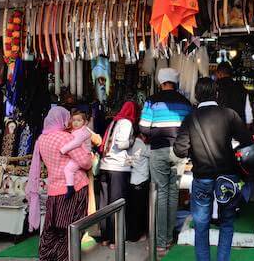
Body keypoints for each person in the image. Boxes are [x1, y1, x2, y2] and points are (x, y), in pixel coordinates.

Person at [174, 78, 253, 261]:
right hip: (227, 178)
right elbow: (247, 140)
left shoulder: (190, 118)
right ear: (216, 93)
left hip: (202, 179)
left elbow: (179, 150)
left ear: (196, 95)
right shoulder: (229, 114)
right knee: (227, 223)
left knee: (201, 225)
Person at [26, 107, 92, 261]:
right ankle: (65, 257)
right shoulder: (65, 138)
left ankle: (47, 256)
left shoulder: (41, 139)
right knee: (70, 228)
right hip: (74, 188)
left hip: (54, 189)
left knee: (51, 227)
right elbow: (86, 162)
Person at [139, 68, 192, 256]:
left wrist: (155, 131)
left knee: (161, 193)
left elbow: (144, 127)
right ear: (175, 82)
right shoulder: (186, 103)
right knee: (172, 193)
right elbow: (189, 129)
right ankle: (168, 239)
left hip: (159, 149)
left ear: (161, 81)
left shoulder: (152, 101)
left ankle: (161, 242)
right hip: (179, 151)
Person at [98, 102, 144, 247]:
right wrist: (133, 140)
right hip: (117, 167)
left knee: (105, 204)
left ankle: (105, 236)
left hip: (105, 165)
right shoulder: (126, 122)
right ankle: (114, 240)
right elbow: (121, 143)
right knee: (116, 204)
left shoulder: (114, 121)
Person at [60, 110, 94, 199]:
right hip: (82, 155)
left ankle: (70, 188)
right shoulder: (78, 130)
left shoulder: (82, 132)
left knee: (68, 169)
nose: (75, 123)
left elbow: (76, 143)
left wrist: (63, 149)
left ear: (85, 122)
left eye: (79, 120)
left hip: (84, 156)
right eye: (74, 120)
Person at [214, 62, 253, 127]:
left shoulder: (215, 87)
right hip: (237, 127)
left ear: (219, 73)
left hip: (220, 128)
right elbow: (248, 115)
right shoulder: (241, 87)